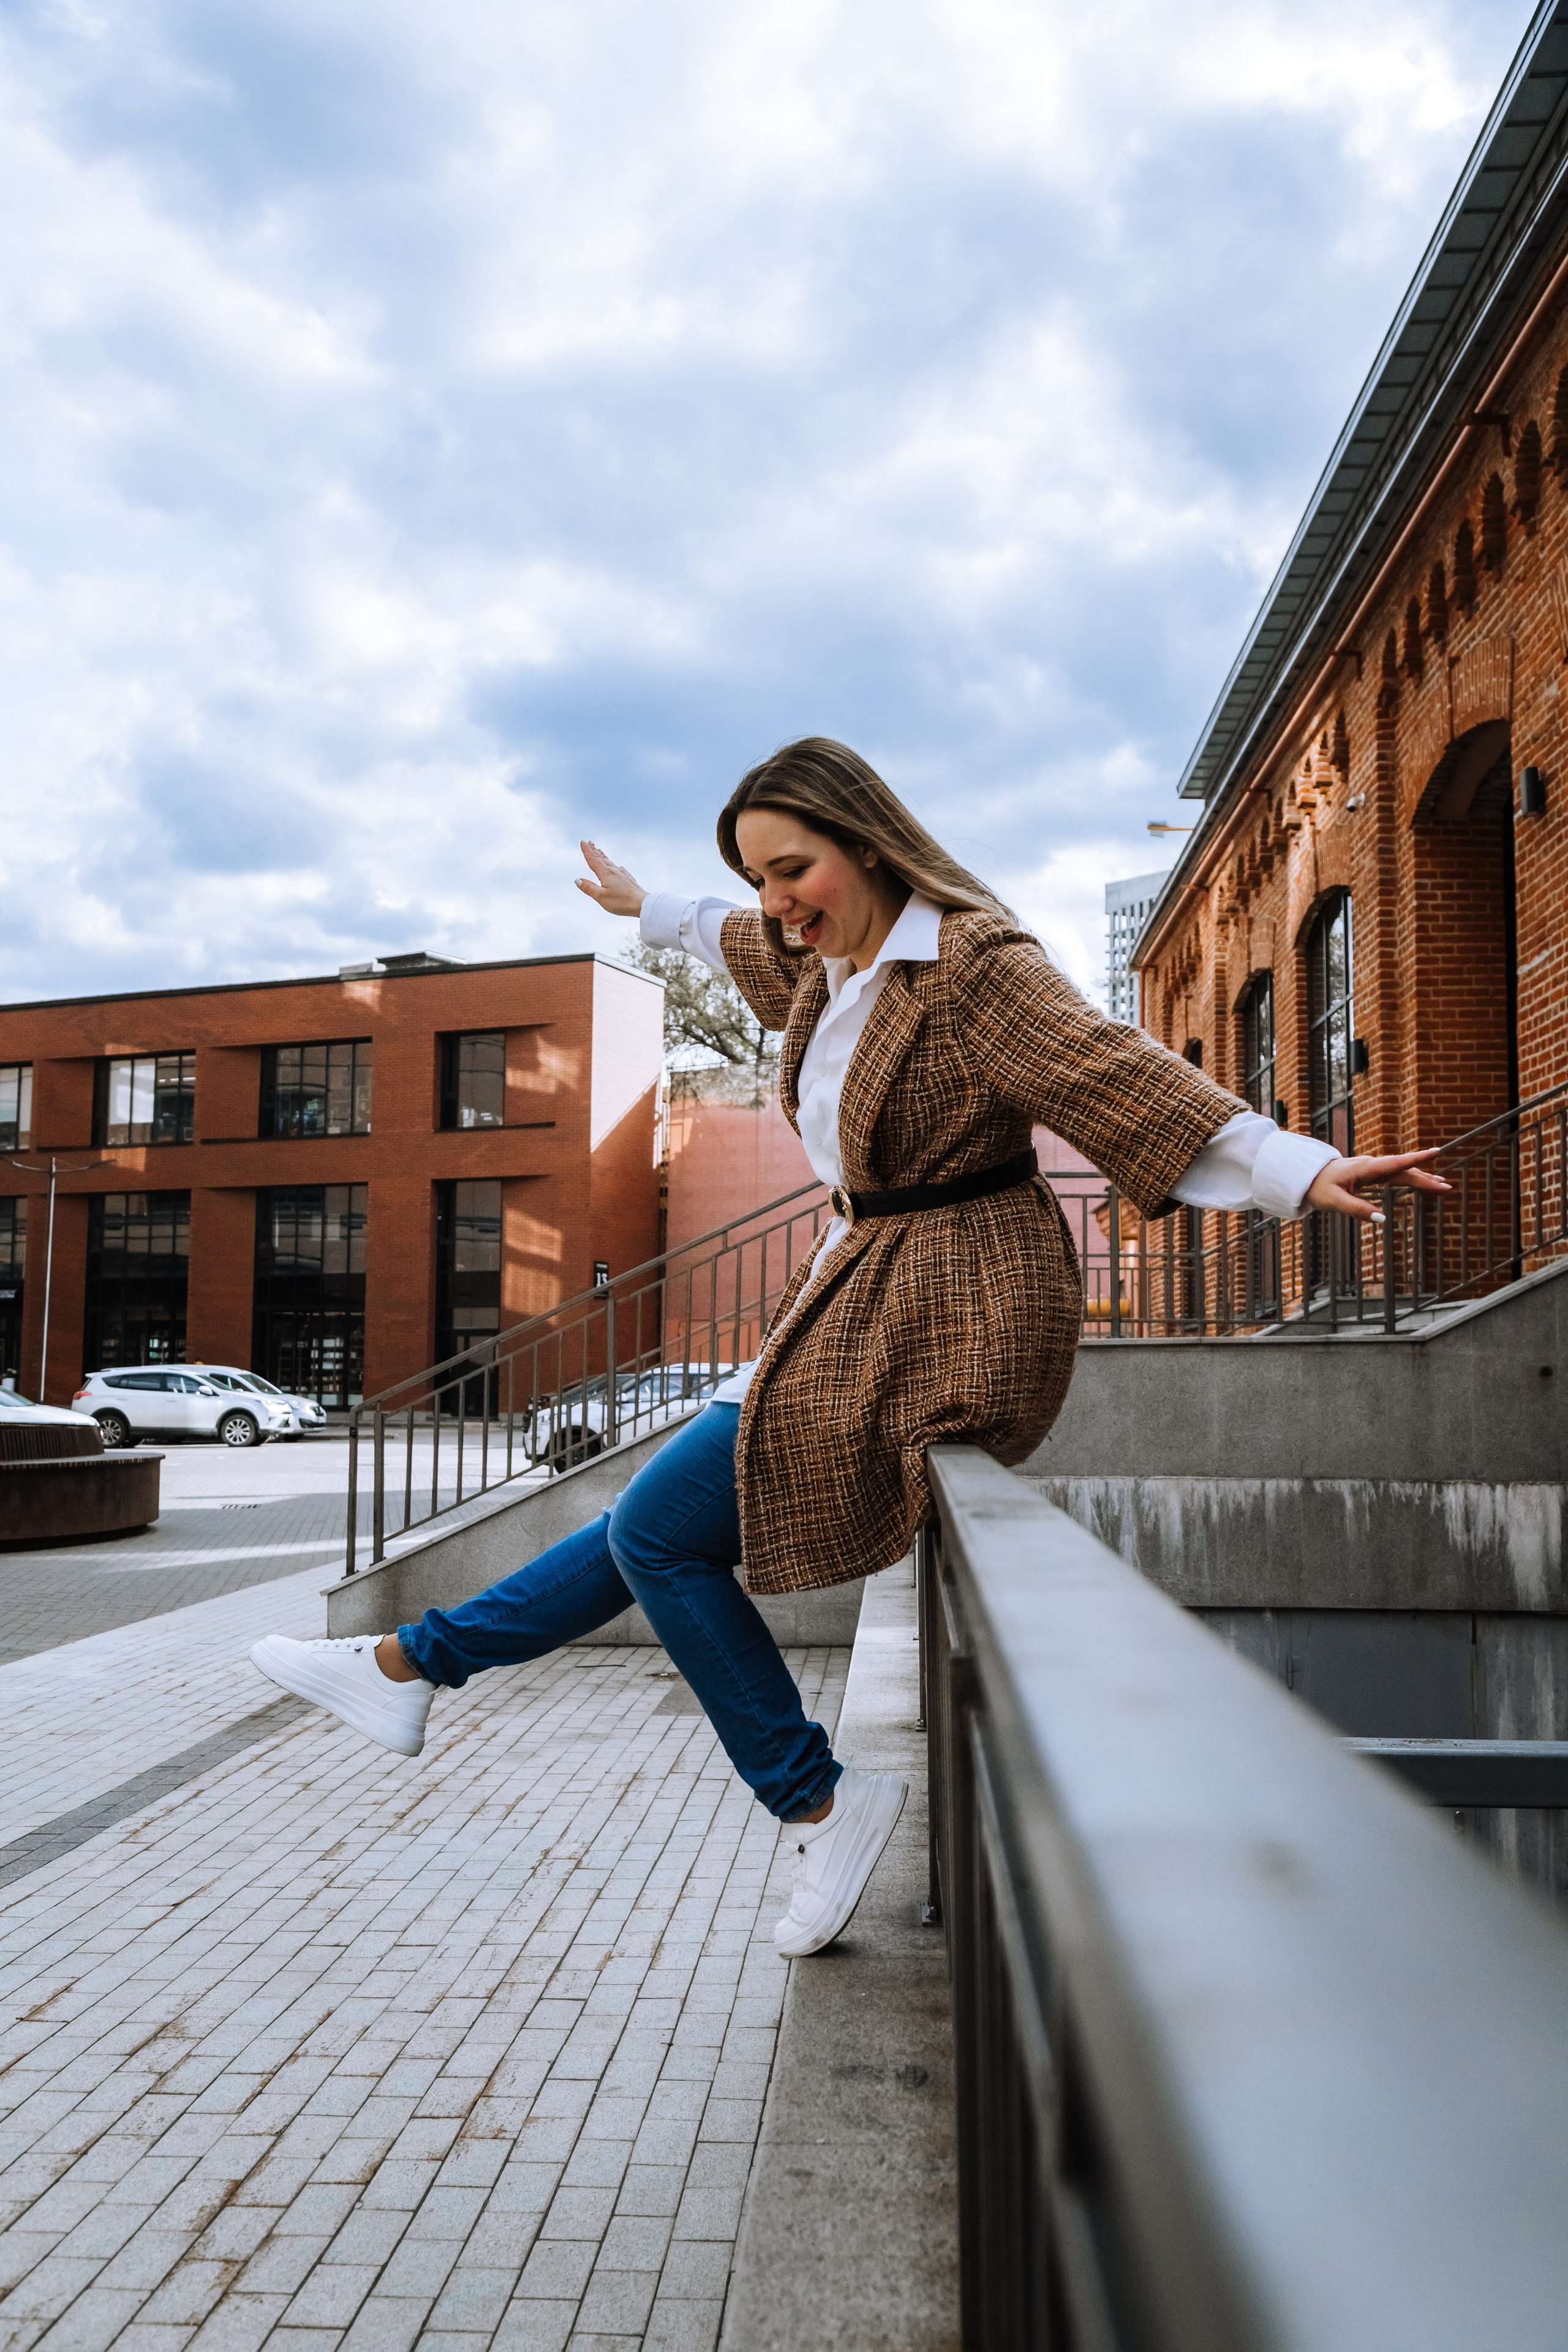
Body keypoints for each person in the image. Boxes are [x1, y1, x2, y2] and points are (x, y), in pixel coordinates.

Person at [251, 737, 1448, 1957]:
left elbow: (1108, 1070)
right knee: (647, 1528)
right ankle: (406, 1668)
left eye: (794, 870)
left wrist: (1298, 1167)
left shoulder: (971, 965)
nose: (778, 903)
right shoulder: (825, 963)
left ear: (868, 843)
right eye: (760, 877)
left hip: (955, 1300)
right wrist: (648, 909)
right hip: (861, 1280)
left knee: (656, 1528)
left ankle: (813, 1800)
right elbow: (732, 935)